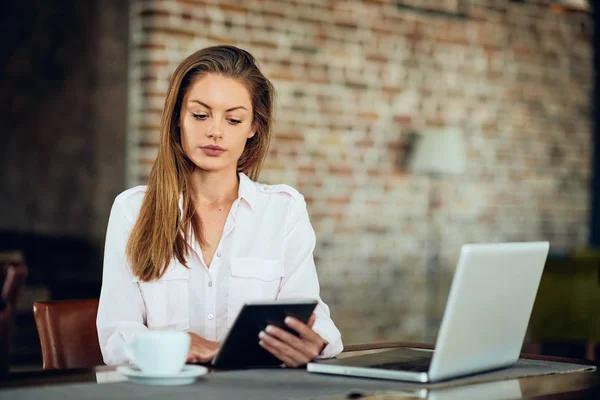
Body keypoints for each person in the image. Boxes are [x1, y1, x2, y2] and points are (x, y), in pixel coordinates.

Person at [97, 45, 343, 367]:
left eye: (233, 119)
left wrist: (315, 342)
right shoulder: (132, 210)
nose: (214, 131)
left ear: (253, 127)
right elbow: (115, 338)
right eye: (200, 115)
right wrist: (177, 342)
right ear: (177, 120)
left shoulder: (284, 210)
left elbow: (315, 319)